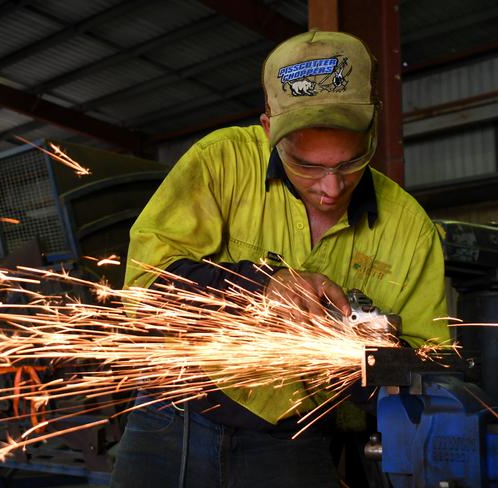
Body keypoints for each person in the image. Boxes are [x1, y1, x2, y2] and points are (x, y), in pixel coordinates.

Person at [110, 30, 449, 487]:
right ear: (270, 130)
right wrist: (261, 286)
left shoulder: (409, 229)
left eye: (349, 162)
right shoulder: (220, 162)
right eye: (307, 165)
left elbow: (431, 364)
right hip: (177, 414)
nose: (331, 189)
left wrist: (364, 359)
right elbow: (147, 289)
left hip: (295, 434)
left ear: (375, 125)